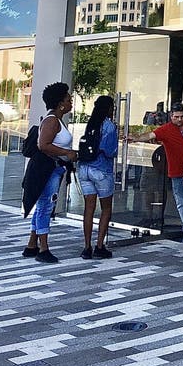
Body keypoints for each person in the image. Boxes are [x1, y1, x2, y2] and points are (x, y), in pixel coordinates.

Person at [128, 102, 183, 241]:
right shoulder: (166, 129)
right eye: (176, 117)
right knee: (182, 202)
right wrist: (136, 138)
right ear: (171, 116)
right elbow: (150, 135)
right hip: (177, 172)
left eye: (181, 117)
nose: (179, 120)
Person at [22, 82, 77, 264]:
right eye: (68, 99)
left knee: (42, 206)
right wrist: (67, 153)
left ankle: (32, 244)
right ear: (61, 103)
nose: (71, 102)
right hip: (49, 170)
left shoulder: (55, 119)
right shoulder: (52, 121)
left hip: (53, 169)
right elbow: (43, 145)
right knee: (46, 206)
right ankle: (43, 248)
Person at [78, 95, 118, 260]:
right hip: (101, 170)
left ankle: (87, 247)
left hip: (84, 169)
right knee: (106, 209)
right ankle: (100, 246)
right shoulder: (109, 126)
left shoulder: (91, 124)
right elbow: (110, 151)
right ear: (108, 108)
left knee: (89, 209)